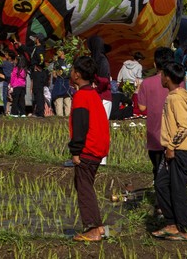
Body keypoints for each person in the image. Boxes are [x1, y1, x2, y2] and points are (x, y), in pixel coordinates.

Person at [67, 55, 111, 242]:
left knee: (84, 188)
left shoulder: (81, 96)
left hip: (88, 149)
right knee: (86, 187)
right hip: (98, 148)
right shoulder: (93, 94)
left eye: (72, 70)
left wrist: (75, 152)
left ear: (76, 74)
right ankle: (98, 227)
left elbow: (80, 126)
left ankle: (92, 228)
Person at [152, 62, 187, 242]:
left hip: (179, 149)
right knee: (161, 183)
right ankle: (171, 223)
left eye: (162, 75)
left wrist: (171, 146)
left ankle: (185, 230)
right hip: (174, 148)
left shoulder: (175, 99)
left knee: (177, 190)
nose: (160, 78)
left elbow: (183, 127)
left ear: (167, 78)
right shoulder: (175, 96)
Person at [136, 47, 175, 186]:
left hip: (155, 133)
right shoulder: (179, 82)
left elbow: (142, 108)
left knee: (157, 169)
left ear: (155, 64)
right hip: (175, 133)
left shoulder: (147, 83)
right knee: (172, 171)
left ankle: (159, 203)